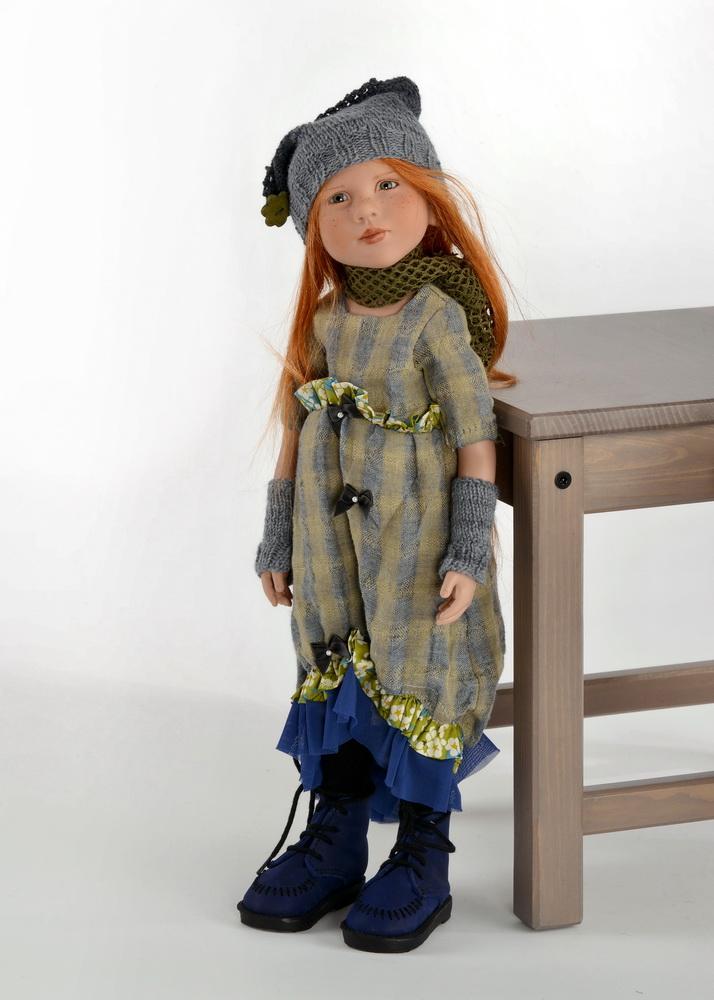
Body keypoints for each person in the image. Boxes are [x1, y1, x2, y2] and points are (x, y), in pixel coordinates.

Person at [237, 75, 517, 953]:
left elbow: (475, 438)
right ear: (311, 225)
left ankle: (423, 854)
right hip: (330, 549)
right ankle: (337, 838)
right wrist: (277, 532)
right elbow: (295, 432)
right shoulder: (326, 322)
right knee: (336, 663)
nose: (368, 210)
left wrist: (468, 548)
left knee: (420, 671)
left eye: (389, 184)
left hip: (416, 540)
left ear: (428, 197)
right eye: (339, 197)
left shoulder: (436, 319)